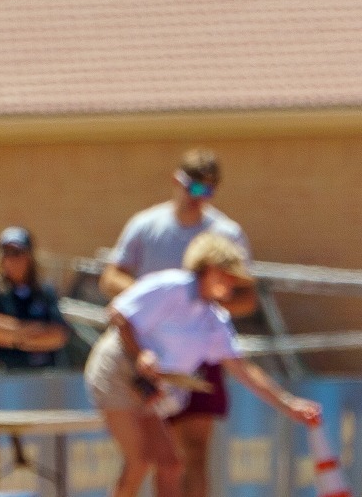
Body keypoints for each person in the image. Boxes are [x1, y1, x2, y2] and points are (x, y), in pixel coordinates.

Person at [84, 234, 319, 497]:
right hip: (116, 371)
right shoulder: (172, 285)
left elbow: (242, 369)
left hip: (148, 385)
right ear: (208, 269)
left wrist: (288, 404)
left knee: (171, 465)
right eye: (227, 275)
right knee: (139, 459)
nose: (233, 283)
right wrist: (141, 354)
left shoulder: (214, 319)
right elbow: (118, 313)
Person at [100, 148, 254, 497]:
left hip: (197, 349)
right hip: (146, 351)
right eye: (195, 189)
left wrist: (211, 298)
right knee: (152, 456)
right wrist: (158, 297)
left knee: (194, 452)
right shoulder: (147, 225)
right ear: (176, 182)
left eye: (209, 191)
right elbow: (110, 279)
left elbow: (247, 298)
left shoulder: (226, 232)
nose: (201, 199)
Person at [0, 226, 69, 372]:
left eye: (17, 253)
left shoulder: (44, 291)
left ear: (29, 256)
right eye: (6, 253)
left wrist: (10, 335)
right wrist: (33, 334)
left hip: (39, 374)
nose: (11, 259)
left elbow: (58, 335)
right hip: (0, 373)